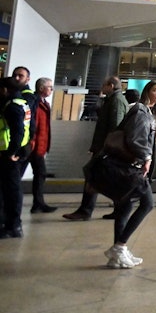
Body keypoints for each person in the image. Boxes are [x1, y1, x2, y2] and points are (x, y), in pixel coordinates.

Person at [105, 81, 156, 268]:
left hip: (131, 166)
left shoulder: (148, 112)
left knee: (125, 207)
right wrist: (146, 158)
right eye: (155, 90)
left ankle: (118, 252)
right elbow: (134, 139)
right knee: (147, 204)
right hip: (133, 167)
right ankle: (120, 247)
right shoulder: (140, 111)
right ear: (147, 91)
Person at [64, 75, 127, 221]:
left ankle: (86, 210)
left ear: (111, 86)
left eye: (104, 85)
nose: (101, 88)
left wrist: (107, 148)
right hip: (105, 147)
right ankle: (119, 208)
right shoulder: (112, 100)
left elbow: (114, 126)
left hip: (106, 148)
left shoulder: (116, 101)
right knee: (107, 178)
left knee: (92, 175)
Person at [0, 77, 32, 238]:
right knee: (10, 189)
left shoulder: (12, 106)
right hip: (16, 151)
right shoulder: (21, 102)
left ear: (5, 90)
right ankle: (10, 224)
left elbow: (17, 132)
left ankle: (12, 226)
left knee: (11, 190)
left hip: (8, 153)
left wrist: (12, 153)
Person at [23, 77, 57, 213]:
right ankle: (38, 203)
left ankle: (38, 203)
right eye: (50, 87)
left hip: (39, 146)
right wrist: (32, 143)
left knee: (40, 173)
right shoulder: (35, 103)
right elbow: (33, 126)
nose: (51, 89)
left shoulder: (44, 104)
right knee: (37, 173)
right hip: (32, 145)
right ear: (41, 88)